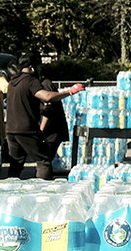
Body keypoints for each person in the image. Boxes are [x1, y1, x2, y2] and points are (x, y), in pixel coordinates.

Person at [5, 52, 84, 180]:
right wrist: (69, 91)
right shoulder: (30, 80)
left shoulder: (13, 81)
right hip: (27, 129)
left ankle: (9, 191)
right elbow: (47, 96)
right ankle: (43, 191)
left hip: (10, 130)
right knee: (44, 160)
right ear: (31, 67)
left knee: (16, 163)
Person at [39, 75, 70, 169]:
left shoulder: (45, 86)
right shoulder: (45, 84)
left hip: (51, 131)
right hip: (52, 131)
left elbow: (47, 111)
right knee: (45, 160)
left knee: (44, 161)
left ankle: (43, 180)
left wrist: (40, 132)